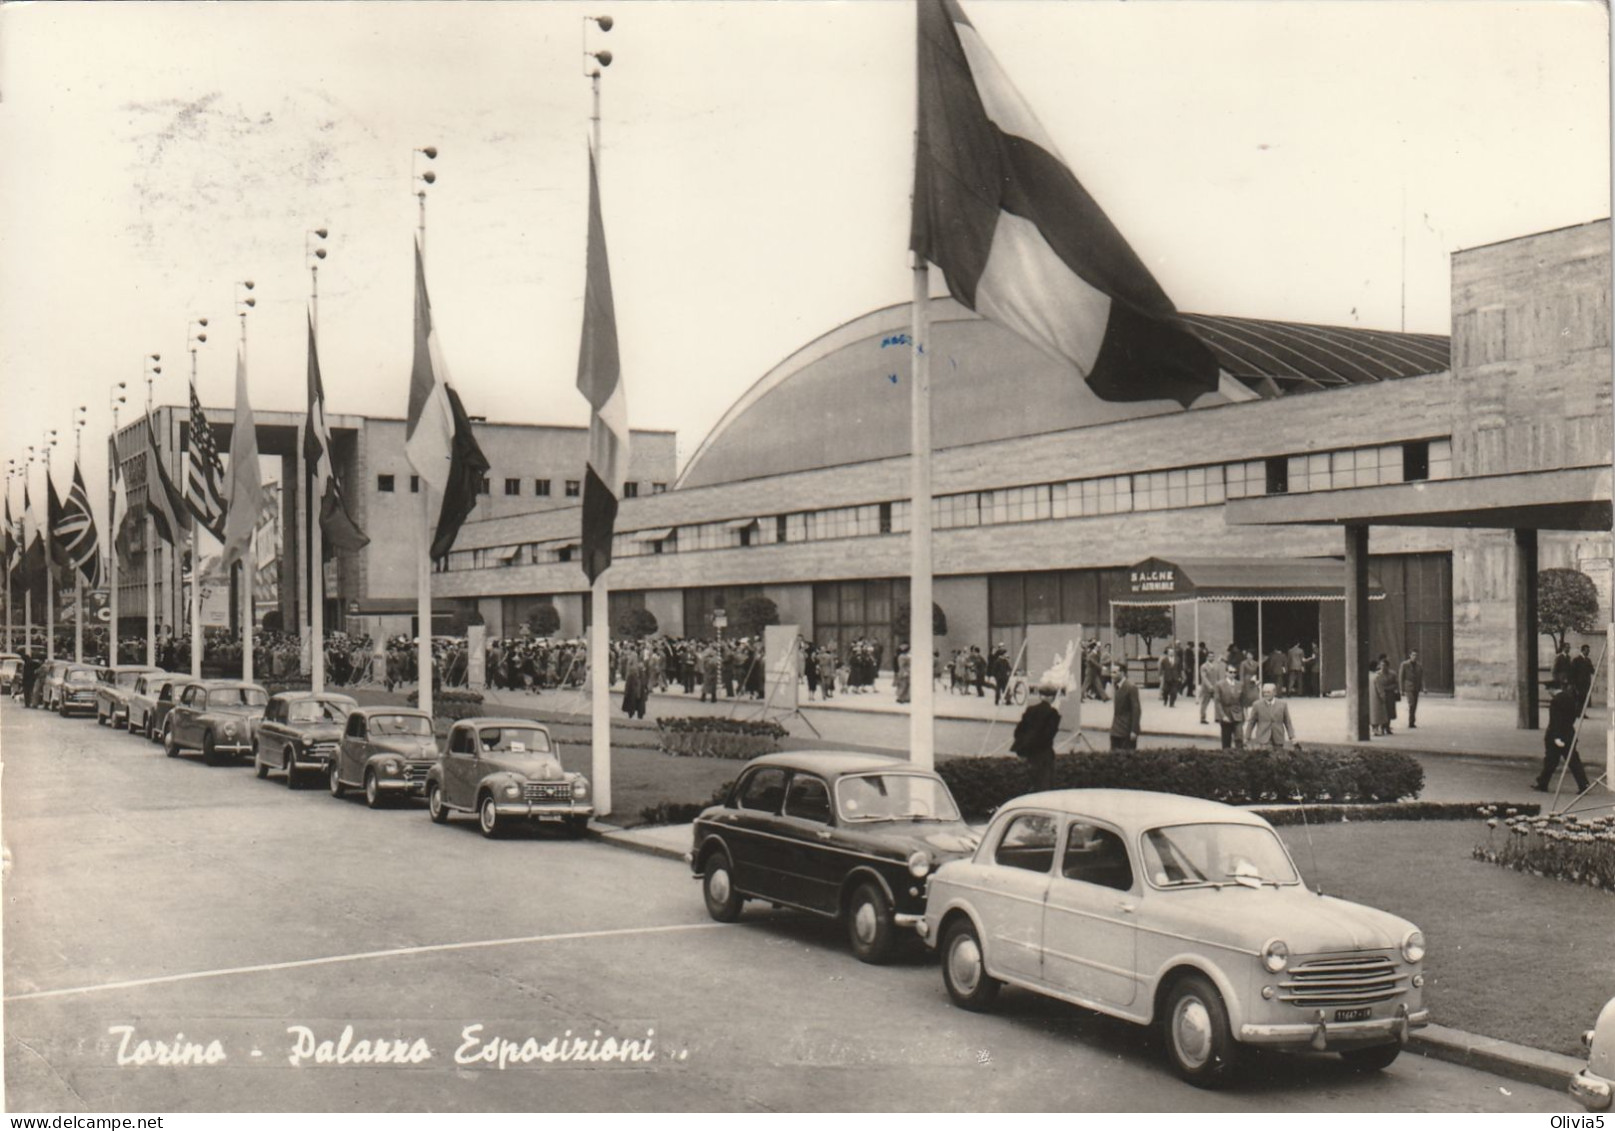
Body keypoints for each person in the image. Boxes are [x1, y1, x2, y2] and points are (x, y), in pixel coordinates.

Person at [1534, 681, 1591, 793]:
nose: (1548, 692)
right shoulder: (1569, 698)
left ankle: (1543, 783)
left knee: (1551, 761)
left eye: (1548, 690)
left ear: (1551, 689)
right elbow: (1573, 716)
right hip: (1569, 733)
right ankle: (1583, 783)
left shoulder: (1555, 701)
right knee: (1573, 761)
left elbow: (1555, 720)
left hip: (1557, 736)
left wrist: (1556, 737)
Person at [1011, 685, 1062, 793]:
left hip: (1029, 755)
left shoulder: (1030, 710)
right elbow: (1048, 736)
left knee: (1030, 786)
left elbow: (1018, 731)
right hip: (1044, 756)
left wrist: (1024, 749)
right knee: (1045, 788)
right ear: (1053, 698)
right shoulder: (1053, 714)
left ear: (1040, 696)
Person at [1245, 683, 1296, 748]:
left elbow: (1287, 722)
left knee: (1278, 756)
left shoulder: (1282, 704)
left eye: (1268, 692)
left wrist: (1292, 736)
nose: (1266, 694)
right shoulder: (1257, 705)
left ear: (1274, 692)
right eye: (1264, 692)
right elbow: (1251, 722)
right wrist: (1247, 737)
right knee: (1265, 757)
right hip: (1263, 738)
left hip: (1278, 737)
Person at [1109, 662, 1141, 751]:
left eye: (1114, 672)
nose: (1112, 675)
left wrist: (1134, 730)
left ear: (1122, 673)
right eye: (1111, 672)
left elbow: (1136, 710)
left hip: (1126, 731)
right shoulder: (1116, 686)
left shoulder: (1131, 687)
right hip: (1115, 730)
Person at [1213, 665, 1245, 749]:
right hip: (1226, 713)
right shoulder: (1219, 685)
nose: (1232, 674)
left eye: (1234, 672)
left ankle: (1239, 755)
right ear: (1226, 673)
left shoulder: (1240, 684)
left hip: (1237, 713)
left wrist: (1244, 714)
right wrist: (1222, 715)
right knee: (1226, 739)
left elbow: (1242, 701)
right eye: (1230, 672)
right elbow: (1217, 702)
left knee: (1239, 737)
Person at [1398, 649, 1424, 729]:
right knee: (1411, 703)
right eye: (1413, 655)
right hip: (1408, 686)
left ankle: (1412, 721)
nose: (1415, 657)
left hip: (1416, 687)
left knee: (1415, 705)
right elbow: (1401, 677)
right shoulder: (1404, 664)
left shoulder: (1419, 665)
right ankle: (1411, 721)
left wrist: (1424, 687)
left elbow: (1421, 677)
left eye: (1416, 655)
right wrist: (1401, 689)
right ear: (1410, 655)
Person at [1197, 651, 1220, 725]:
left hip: (1215, 687)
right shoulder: (1204, 666)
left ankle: (1217, 717)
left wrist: (1218, 685)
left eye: (1212, 656)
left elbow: (1217, 677)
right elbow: (1204, 677)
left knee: (1217, 702)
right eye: (1210, 656)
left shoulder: (1216, 666)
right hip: (1206, 688)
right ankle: (1202, 718)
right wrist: (1209, 685)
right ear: (1207, 657)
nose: (1211, 658)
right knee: (1205, 703)